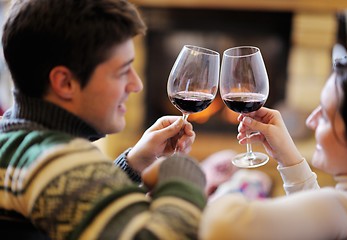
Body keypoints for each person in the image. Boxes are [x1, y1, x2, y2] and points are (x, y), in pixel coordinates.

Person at [0, 0, 206, 239]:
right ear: (65, 83)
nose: (136, 84)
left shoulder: (17, 144)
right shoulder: (58, 161)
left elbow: (73, 203)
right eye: (122, 72)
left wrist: (133, 163)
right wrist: (181, 176)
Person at [199, 54, 347, 240]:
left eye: (324, 115)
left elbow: (220, 226)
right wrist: (287, 155)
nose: (310, 121)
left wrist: (229, 187)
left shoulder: (341, 208)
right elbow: (322, 219)